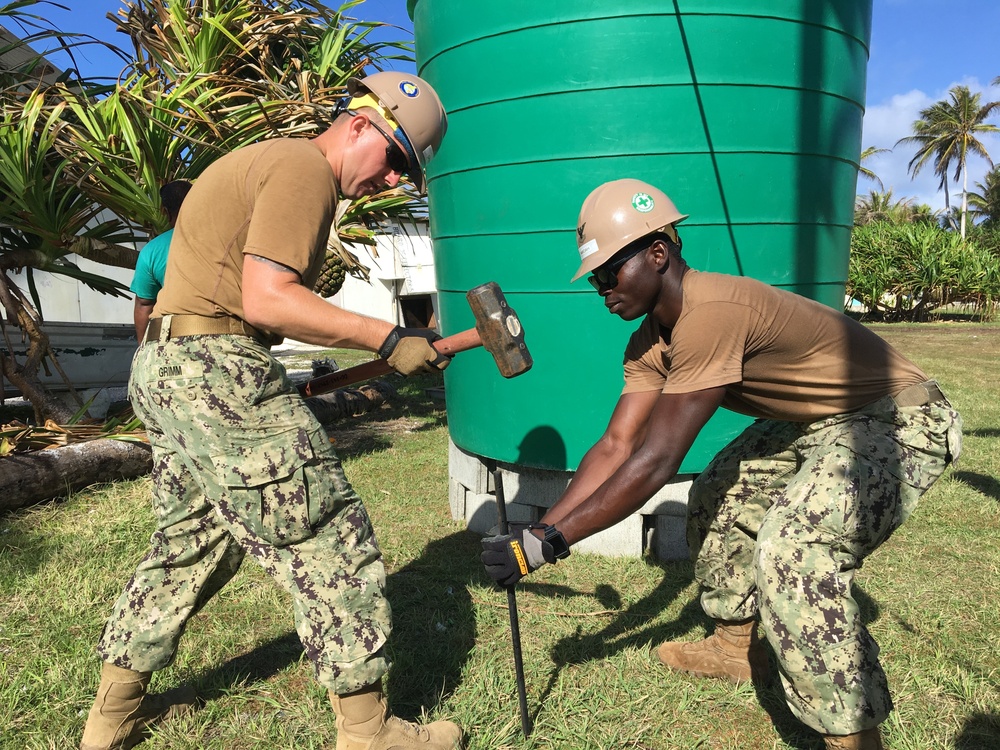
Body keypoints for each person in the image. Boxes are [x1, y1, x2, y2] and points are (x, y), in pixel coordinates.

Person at [481, 179, 962, 750]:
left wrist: (551, 542)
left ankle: (854, 737)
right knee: (718, 491)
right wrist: (536, 534)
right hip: (817, 421)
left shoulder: (713, 311)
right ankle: (739, 647)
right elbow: (616, 446)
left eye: (611, 271)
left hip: (897, 418)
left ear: (658, 252)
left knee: (795, 549)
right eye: (596, 280)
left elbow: (656, 462)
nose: (603, 289)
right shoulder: (648, 344)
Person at [81, 72, 463, 750]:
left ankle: (110, 718)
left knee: (191, 541)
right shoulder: (301, 166)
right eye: (396, 158)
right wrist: (388, 335)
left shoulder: (265, 159)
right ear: (358, 125)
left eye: (409, 172)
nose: (396, 181)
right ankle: (368, 734)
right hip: (215, 368)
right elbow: (266, 300)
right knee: (326, 532)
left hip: (168, 367)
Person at [130, 180, 193, 341]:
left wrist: (143, 351)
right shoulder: (226, 240)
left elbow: (144, 304)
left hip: (176, 344)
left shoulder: (151, 251)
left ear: (164, 211)